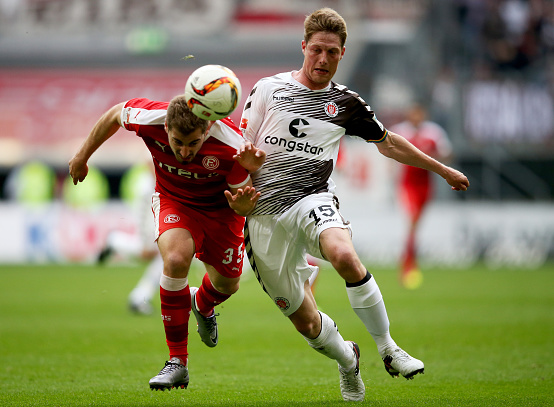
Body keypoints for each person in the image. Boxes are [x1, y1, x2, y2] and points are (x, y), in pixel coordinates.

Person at [239, 8, 469, 402]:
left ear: (343, 53)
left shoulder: (346, 104)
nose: (323, 60)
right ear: (303, 47)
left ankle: (389, 348)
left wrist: (441, 169)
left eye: (331, 52)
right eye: (316, 50)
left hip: (311, 198)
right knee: (307, 322)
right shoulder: (268, 89)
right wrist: (241, 194)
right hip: (264, 215)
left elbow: (390, 143)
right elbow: (241, 150)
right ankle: (348, 360)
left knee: (344, 255)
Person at [69, 95, 264, 391]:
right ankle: (177, 363)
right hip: (174, 201)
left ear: (208, 129)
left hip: (221, 212)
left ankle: (202, 303)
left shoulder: (233, 146)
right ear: (167, 127)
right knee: (174, 259)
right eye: (177, 142)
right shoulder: (150, 119)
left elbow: (242, 207)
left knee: (228, 284)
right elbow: (113, 114)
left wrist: (245, 204)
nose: (184, 152)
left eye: (194, 143)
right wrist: (82, 156)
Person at [391, 103, 453, 289]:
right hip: (407, 184)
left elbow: (448, 155)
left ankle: (408, 262)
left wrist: (433, 156)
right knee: (412, 222)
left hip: (425, 185)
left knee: (415, 226)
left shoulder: (434, 133)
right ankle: (408, 265)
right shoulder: (400, 131)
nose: (416, 117)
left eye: (420, 113)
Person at [96, 162, 164, 315]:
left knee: (161, 256)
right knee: (154, 254)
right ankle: (139, 297)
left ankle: (114, 241)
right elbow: (149, 162)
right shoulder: (147, 184)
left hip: (154, 208)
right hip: (150, 211)